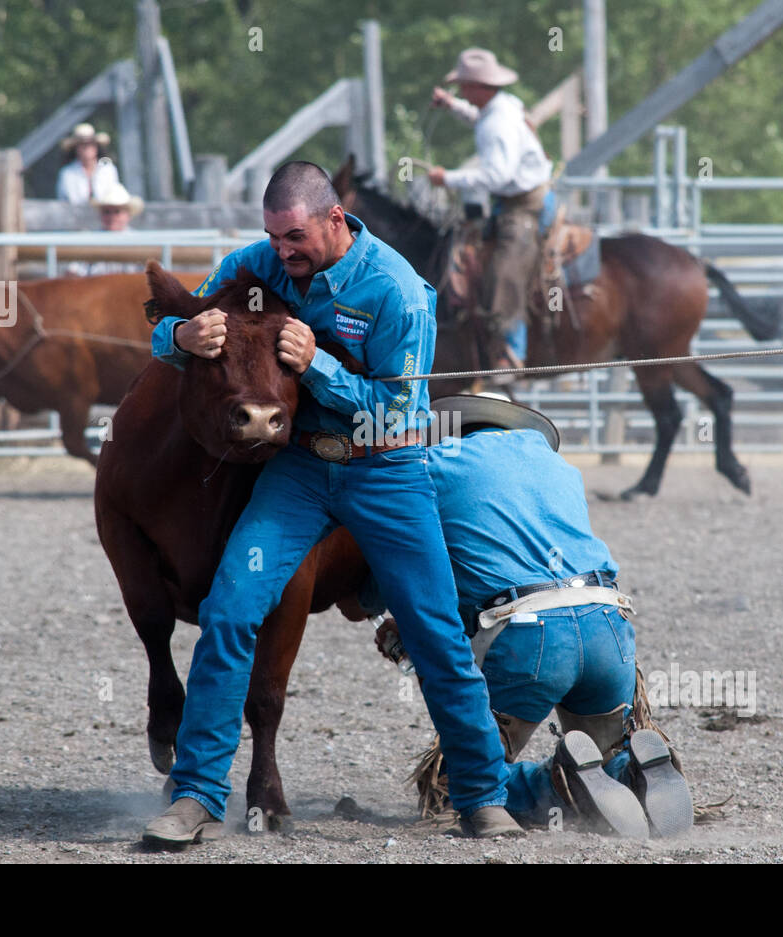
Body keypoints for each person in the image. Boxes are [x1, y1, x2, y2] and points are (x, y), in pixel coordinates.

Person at [141, 161, 519, 845]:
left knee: (435, 631)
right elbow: (171, 324)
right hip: (300, 471)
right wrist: (179, 337)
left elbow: (398, 407)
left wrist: (317, 363)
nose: (282, 252)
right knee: (229, 607)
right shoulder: (254, 266)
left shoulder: (398, 291)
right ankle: (198, 793)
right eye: (274, 236)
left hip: (387, 467)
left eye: (294, 236)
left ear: (334, 220)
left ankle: (483, 795)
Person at [366, 394, 694, 838]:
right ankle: (627, 772)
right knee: (603, 749)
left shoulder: (430, 467)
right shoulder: (558, 467)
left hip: (529, 638)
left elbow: (421, 572)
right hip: (607, 625)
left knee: (456, 784)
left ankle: (558, 783)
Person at [428, 49, 553, 372]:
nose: (462, 91)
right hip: (519, 200)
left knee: (503, 274)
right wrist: (453, 106)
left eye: (464, 87)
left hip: (525, 207)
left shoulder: (497, 123)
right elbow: (477, 118)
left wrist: (448, 179)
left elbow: (499, 176)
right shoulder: (501, 107)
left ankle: (512, 354)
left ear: (478, 86)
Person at [65, 182, 144, 277]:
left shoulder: (140, 241)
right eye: (107, 212)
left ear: (128, 215)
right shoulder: (89, 240)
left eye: (117, 211)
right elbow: (73, 272)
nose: (112, 216)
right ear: (100, 214)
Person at [55, 122, 120, 204]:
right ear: (76, 148)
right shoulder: (67, 173)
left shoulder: (108, 170)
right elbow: (63, 202)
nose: (87, 148)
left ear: (97, 146)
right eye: (82, 144)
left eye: (91, 143)